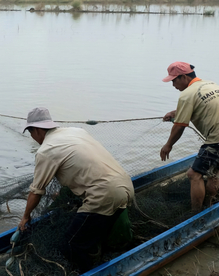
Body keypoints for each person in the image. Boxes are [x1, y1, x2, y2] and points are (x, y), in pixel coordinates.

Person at [19, 107, 134, 272]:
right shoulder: (77, 132)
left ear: (37, 130)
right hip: (126, 185)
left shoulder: (46, 150)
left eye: (31, 133)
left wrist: (25, 217)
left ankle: (89, 272)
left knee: (71, 243)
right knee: (91, 234)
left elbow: (36, 191)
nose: (33, 138)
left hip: (104, 195)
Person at [160, 62, 219, 211]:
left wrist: (168, 145)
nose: (173, 85)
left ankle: (195, 214)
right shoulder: (210, 84)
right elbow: (199, 104)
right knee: (213, 173)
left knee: (194, 174)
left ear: (184, 77)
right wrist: (175, 112)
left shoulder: (186, 94)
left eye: (174, 80)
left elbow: (179, 126)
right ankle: (209, 205)